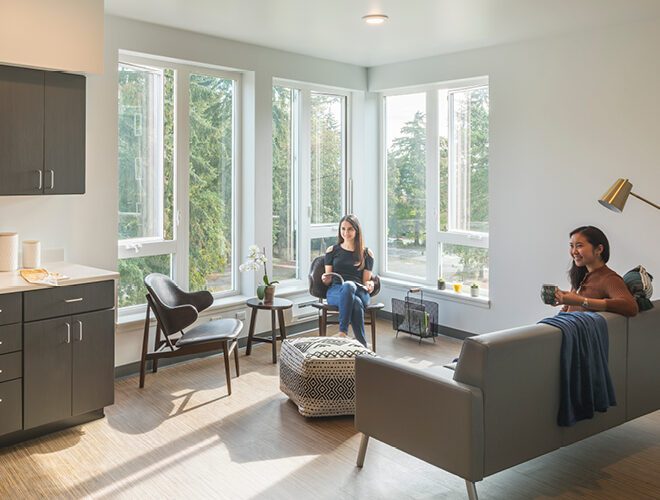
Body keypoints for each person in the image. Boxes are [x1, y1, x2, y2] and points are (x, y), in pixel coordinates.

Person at [550, 225, 638, 317]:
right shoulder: (580, 275)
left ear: (599, 249)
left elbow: (631, 307)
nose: (574, 251)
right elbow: (569, 309)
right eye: (572, 246)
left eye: (579, 246)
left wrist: (581, 301)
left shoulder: (609, 279)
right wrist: (564, 300)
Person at [321, 214, 375, 346]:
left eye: (350, 229)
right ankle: (362, 347)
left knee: (350, 286)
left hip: (358, 291)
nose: (346, 232)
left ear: (357, 230)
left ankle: (342, 333)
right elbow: (328, 280)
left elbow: (365, 281)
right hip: (336, 290)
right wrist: (325, 278)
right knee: (354, 301)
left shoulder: (366, 253)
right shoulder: (332, 250)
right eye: (343, 229)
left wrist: (370, 283)